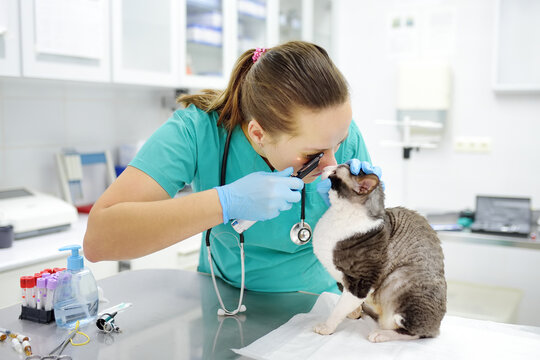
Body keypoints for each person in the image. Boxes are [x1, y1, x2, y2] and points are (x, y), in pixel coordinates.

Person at [83, 41, 382, 294]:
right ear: (257, 134)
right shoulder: (196, 131)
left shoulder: (334, 132)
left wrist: (366, 207)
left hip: (319, 311)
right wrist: (225, 202)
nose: (331, 163)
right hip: (225, 307)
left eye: (339, 143)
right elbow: (99, 241)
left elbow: (369, 247)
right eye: (314, 154)